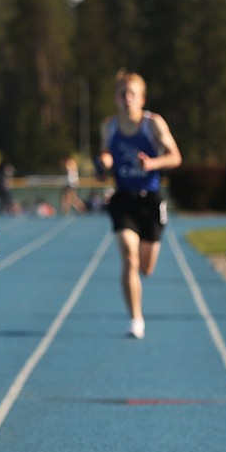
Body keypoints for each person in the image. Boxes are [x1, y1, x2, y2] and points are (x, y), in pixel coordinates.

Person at [97, 70, 182, 340]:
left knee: (146, 267)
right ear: (116, 98)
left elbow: (176, 157)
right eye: (122, 93)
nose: (127, 98)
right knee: (129, 259)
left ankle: (137, 304)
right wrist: (104, 163)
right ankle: (136, 319)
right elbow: (104, 158)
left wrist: (153, 164)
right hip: (124, 199)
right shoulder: (108, 126)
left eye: (132, 93)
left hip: (151, 201)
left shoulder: (153, 124)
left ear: (142, 98)